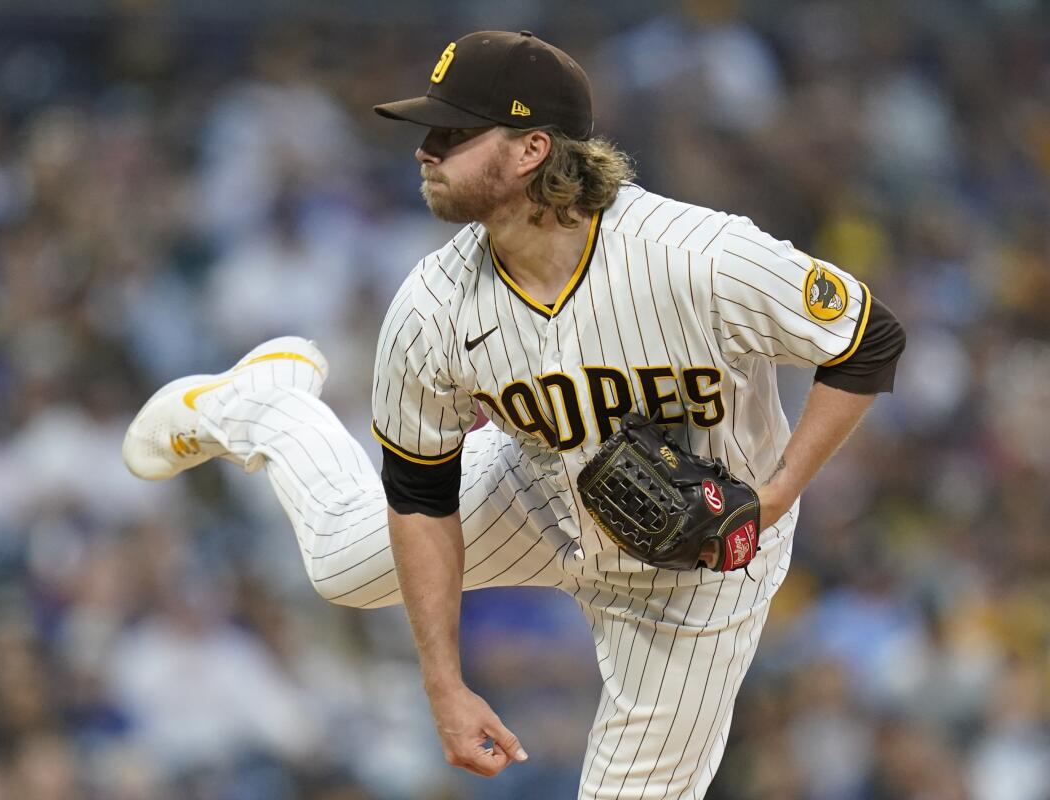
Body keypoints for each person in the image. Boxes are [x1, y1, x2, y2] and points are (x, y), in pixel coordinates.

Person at [122, 29, 905, 799]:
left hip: (699, 569)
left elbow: (869, 340)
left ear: (531, 149)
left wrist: (774, 497)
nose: (426, 149)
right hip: (537, 493)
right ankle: (270, 409)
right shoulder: (431, 307)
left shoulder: (698, 256)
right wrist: (444, 684)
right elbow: (421, 497)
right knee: (335, 562)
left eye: (454, 132)